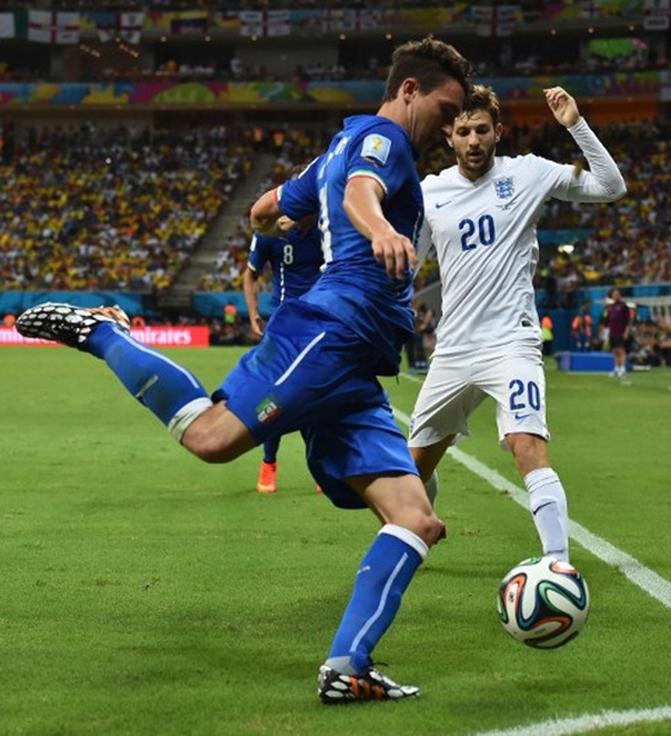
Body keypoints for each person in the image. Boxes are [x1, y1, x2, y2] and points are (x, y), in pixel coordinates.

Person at [16, 37, 472, 704]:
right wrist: (377, 228)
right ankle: (105, 333)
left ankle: (348, 666)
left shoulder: (330, 151)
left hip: (358, 361)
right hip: (333, 331)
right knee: (211, 438)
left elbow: (264, 209)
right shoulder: (384, 140)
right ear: (410, 90)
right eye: (445, 106)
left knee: (415, 516)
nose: (445, 123)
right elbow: (361, 192)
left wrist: (285, 220)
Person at [409, 84, 626, 564]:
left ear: (498, 131)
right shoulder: (430, 192)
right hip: (454, 348)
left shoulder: (526, 173)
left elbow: (611, 188)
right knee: (415, 466)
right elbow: (411, 262)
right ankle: (420, 529)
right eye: (463, 131)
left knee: (526, 445)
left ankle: (558, 564)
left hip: (513, 343)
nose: (473, 141)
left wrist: (575, 123)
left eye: (481, 130)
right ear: (449, 136)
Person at [242, 204, 324, 493]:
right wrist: (253, 313)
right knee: (274, 396)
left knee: (316, 397)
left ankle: (321, 468)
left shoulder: (329, 229)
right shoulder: (270, 233)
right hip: (282, 324)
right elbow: (250, 274)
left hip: (319, 322)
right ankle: (268, 463)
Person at [604, 288, 631, 379]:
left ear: (619, 295)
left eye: (617, 294)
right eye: (613, 294)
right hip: (612, 332)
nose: (615, 296)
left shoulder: (623, 306)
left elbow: (628, 320)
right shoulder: (611, 307)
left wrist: (626, 331)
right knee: (614, 351)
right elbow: (607, 321)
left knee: (621, 350)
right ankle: (616, 368)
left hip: (620, 331)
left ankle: (623, 369)